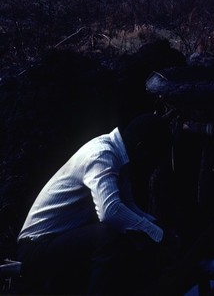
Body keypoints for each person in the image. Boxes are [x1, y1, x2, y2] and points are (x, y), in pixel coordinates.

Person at [16, 113, 173, 295]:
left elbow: (127, 206)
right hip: (35, 249)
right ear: (141, 148)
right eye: (153, 158)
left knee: (130, 235)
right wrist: (158, 235)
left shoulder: (117, 157)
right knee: (110, 235)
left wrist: (158, 228)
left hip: (56, 242)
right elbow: (110, 212)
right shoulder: (102, 155)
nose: (151, 166)